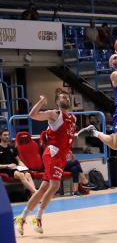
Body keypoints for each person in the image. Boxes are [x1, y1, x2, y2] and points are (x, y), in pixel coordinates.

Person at [14, 90, 77, 235]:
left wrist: (68, 150)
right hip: (52, 153)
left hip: (61, 155)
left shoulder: (72, 118)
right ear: (57, 101)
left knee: (43, 189)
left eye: (67, 96)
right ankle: (38, 217)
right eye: (62, 97)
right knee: (55, 185)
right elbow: (32, 115)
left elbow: (67, 137)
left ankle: (21, 218)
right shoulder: (54, 114)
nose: (65, 98)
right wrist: (41, 102)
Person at [0, 130, 36, 195]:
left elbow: (18, 160)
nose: (7, 136)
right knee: (21, 175)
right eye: (5, 135)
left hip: (15, 168)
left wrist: (23, 167)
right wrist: (7, 166)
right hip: (5, 169)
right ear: (0, 136)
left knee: (28, 174)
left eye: (8, 135)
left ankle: (33, 194)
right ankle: (36, 192)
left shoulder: (12, 147)